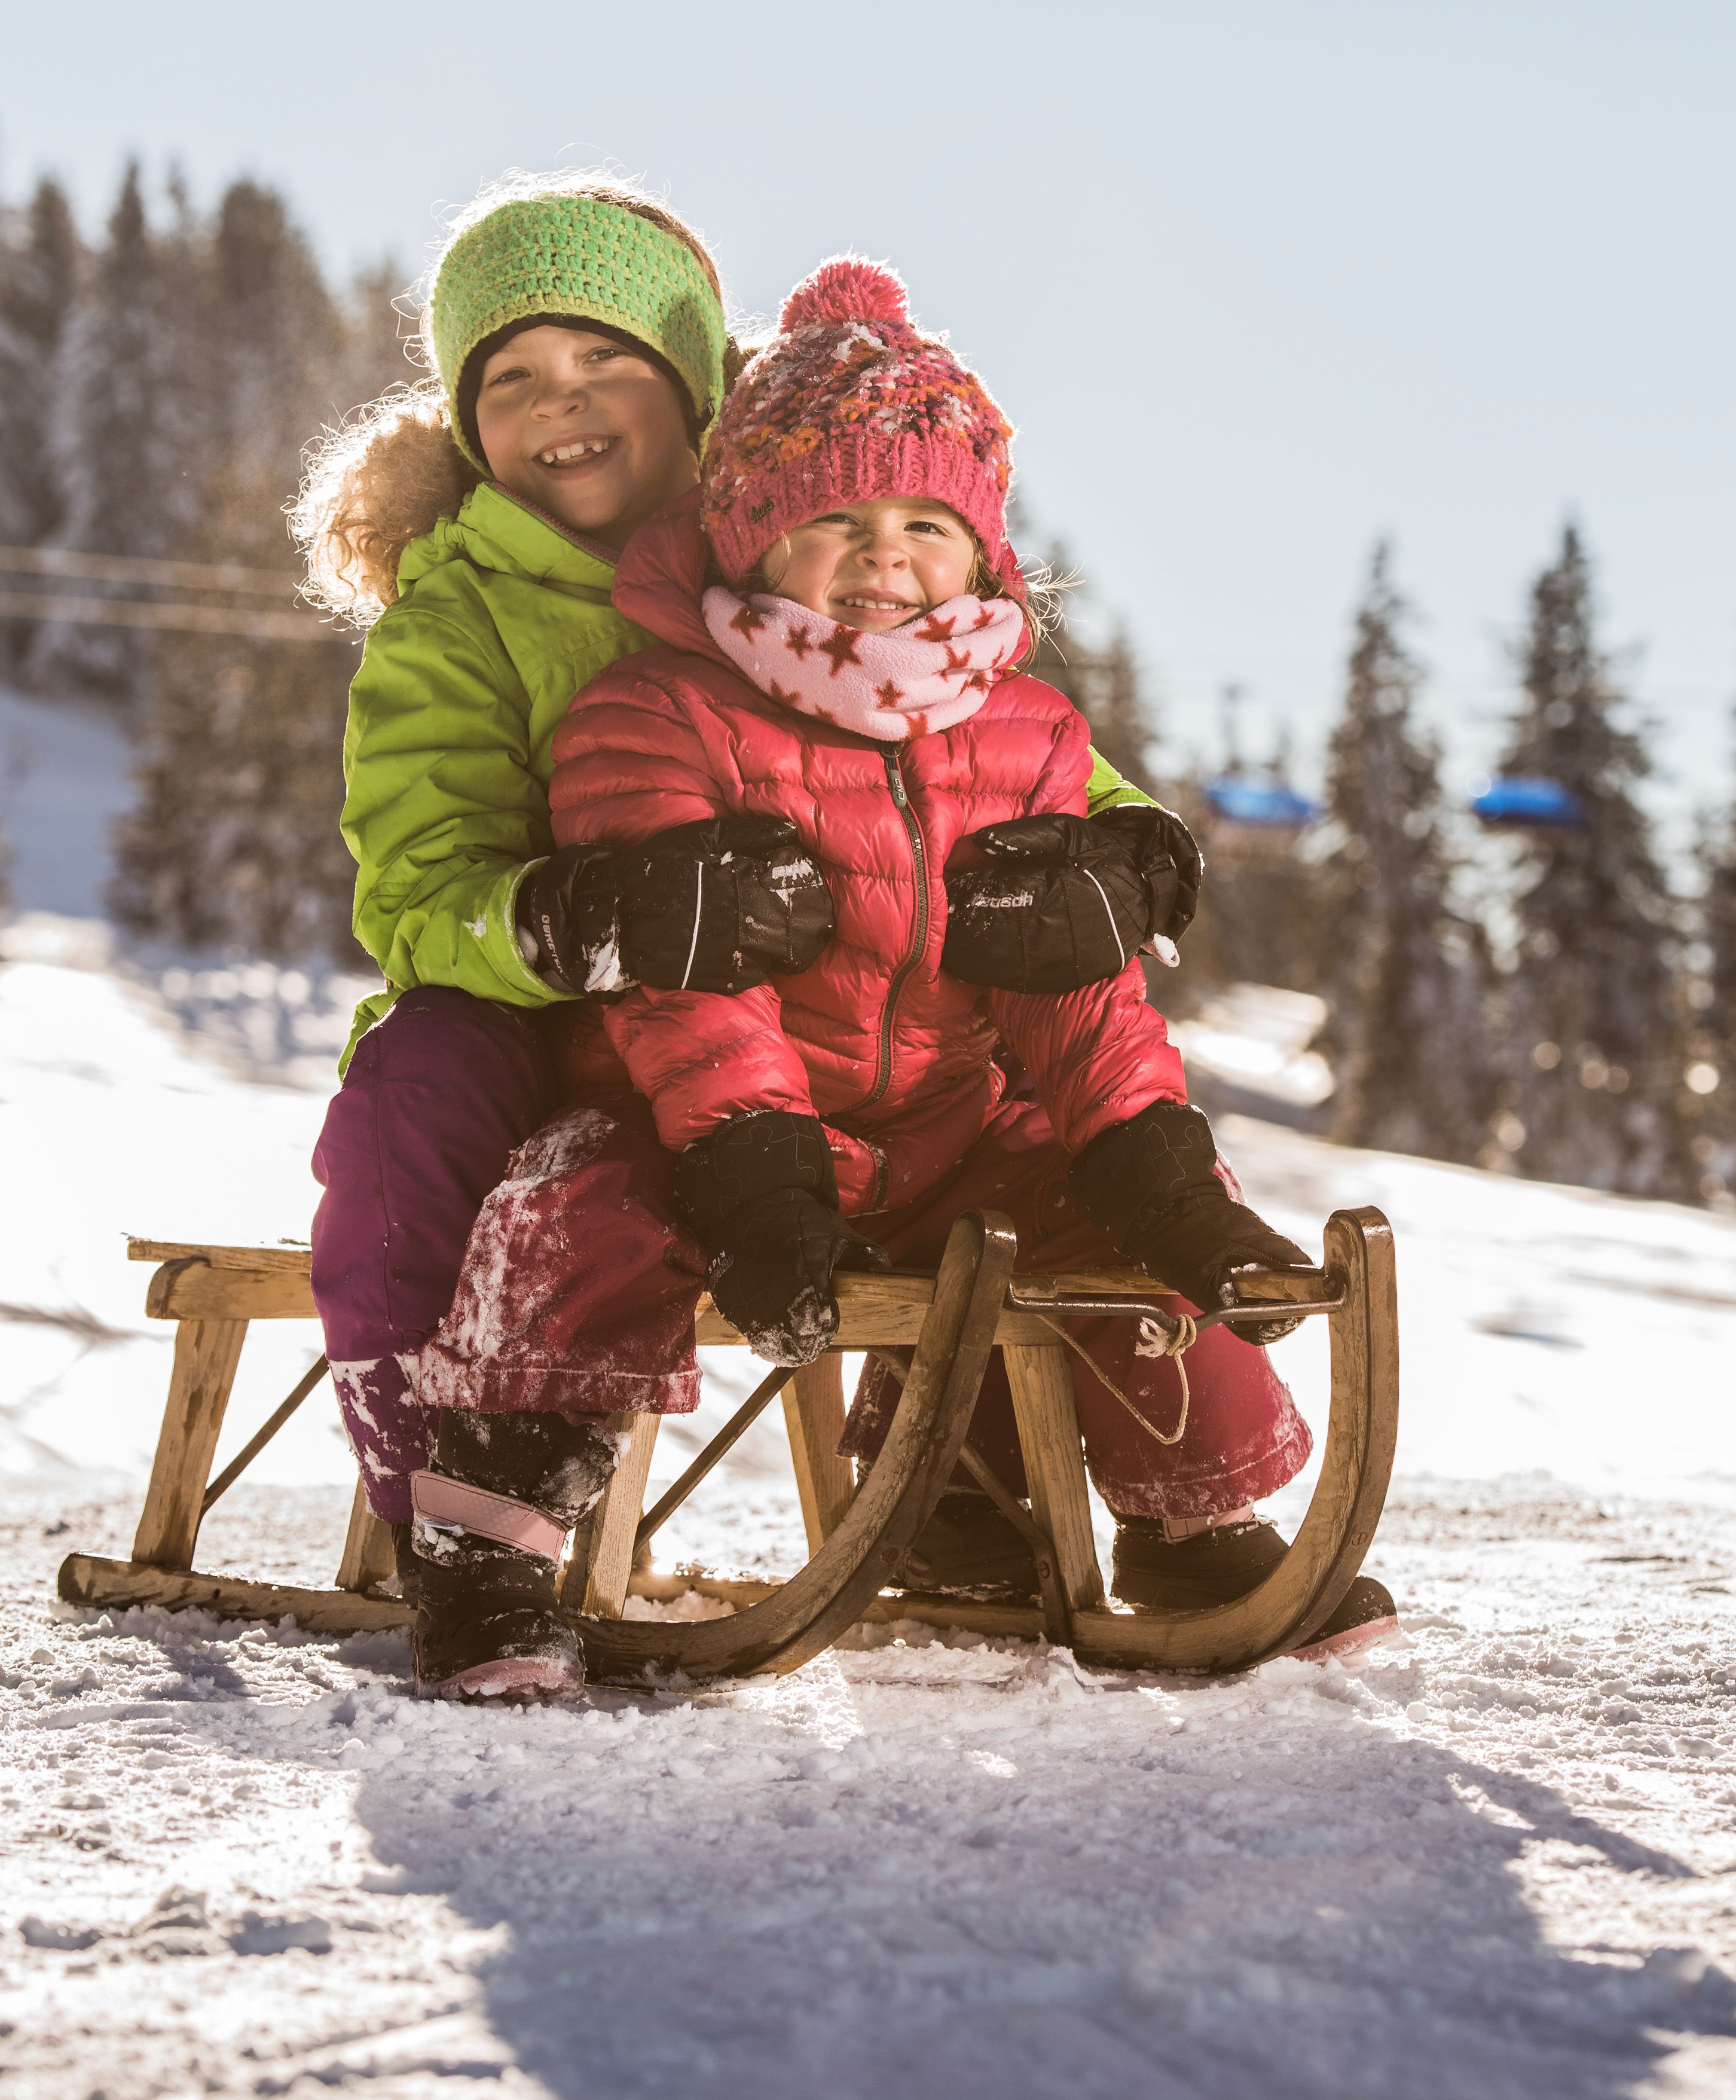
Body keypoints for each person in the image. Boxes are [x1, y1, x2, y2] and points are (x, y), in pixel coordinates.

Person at [391, 257, 1394, 1697]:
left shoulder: (1029, 736)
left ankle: (1189, 1525)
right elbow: (688, 996)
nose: (882, 557)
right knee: (575, 1208)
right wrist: (754, 1164)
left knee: (1077, 1195)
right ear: (747, 541)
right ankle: (487, 1544)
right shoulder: (657, 713)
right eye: (832, 521)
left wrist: (1154, 1167)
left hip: (936, 1128)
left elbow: (1075, 998)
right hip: (705, 1131)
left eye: (925, 521)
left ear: (981, 552)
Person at [293, 179, 1201, 1550]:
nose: (564, 400)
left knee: (1015, 1068)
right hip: (545, 1017)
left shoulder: (810, 544)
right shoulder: (453, 620)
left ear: (695, 385)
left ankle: (966, 1477)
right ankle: (452, 1506)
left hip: (798, 1016)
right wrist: (580, 921)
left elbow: (974, 728)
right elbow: (420, 895)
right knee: (404, 1097)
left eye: (606, 360)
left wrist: (1119, 848)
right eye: (515, 376)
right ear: (469, 424)